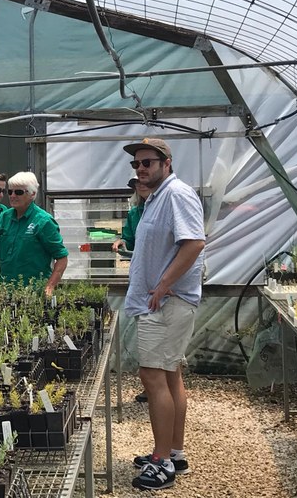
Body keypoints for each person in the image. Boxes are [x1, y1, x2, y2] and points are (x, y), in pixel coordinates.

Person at [123, 138, 205, 491]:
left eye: (148, 163)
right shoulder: (156, 199)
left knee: (152, 374)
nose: (141, 169)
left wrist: (163, 285)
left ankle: (162, 462)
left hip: (165, 304)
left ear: (166, 163)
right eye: (137, 164)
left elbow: (194, 243)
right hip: (161, 302)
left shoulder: (177, 194)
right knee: (169, 375)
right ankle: (173, 451)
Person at [0, 171, 68, 297]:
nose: (12, 195)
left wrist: (50, 286)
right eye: (10, 192)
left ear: (32, 194)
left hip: (33, 293)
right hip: (5, 291)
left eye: (18, 192)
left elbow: (62, 258)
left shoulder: (43, 221)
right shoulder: (4, 218)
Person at [112, 177, 153, 404]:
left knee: (161, 336)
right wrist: (120, 243)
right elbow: (128, 238)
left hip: (162, 282)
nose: (141, 186)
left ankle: (166, 383)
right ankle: (151, 387)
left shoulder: (160, 207)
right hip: (141, 279)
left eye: (143, 182)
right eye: (137, 184)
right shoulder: (135, 212)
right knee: (146, 333)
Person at [112, 177, 151, 254]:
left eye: (145, 182)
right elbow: (130, 241)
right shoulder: (133, 213)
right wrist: (122, 242)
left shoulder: (166, 207)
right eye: (137, 182)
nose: (141, 185)